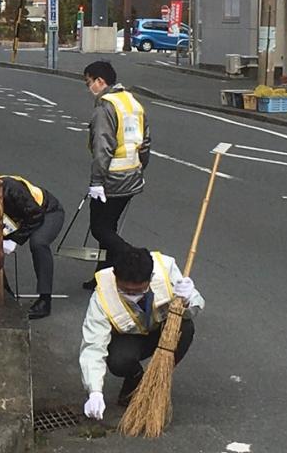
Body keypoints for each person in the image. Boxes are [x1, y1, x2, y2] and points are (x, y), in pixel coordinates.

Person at [79, 245, 203, 420]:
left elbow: (194, 309)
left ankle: (157, 379)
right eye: (125, 291)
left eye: (138, 291)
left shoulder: (165, 269)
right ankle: (135, 378)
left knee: (186, 327)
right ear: (115, 278)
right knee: (119, 360)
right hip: (130, 339)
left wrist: (190, 299)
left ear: (150, 278)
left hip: (162, 329)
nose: (132, 295)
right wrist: (94, 392)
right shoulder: (101, 296)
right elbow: (93, 346)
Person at [82, 60, 151, 289]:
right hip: (131, 176)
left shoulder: (106, 108)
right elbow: (145, 141)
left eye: (89, 82)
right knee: (109, 227)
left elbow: (103, 148)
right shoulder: (132, 103)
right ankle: (103, 276)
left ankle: (135, 260)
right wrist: (140, 168)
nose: (88, 87)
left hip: (111, 179)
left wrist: (96, 182)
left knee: (100, 228)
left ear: (100, 81)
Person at [0, 174, 64, 320]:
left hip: (47, 211)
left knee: (39, 243)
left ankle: (45, 301)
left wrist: (14, 240)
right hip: (20, 217)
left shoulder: (12, 190)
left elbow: (36, 216)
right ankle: (6, 293)